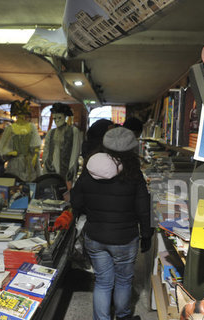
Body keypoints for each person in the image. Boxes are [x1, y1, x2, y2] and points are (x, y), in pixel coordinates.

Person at [70, 126, 153, 320]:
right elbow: (143, 207)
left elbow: (76, 202)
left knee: (102, 281)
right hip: (125, 238)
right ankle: (123, 316)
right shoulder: (133, 174)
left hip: (95, 236)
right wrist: (146, 234)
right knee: (123, 281)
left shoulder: (89, 170)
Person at [0, 100, 42, 182]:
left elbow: (36, 146)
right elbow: (2, 148)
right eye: (19, 114)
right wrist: (10, 152)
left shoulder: (31, 127)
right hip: (15, 162)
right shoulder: (10, 128)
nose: (22, 116)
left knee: (30, 184)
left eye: (23, 114)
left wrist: (34, 159)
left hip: (29, 162)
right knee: (15, 183)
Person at [41, 103, 80, 186]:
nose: (57, 120)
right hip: (51, 167)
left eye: (59, 118)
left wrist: (72, 168)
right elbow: (46, 149)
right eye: (54, 118)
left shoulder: (73, 131)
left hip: (66, 167)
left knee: (64, 190)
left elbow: (75, 151)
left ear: (65, 117)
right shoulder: (51, 132)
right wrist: (46, 162)